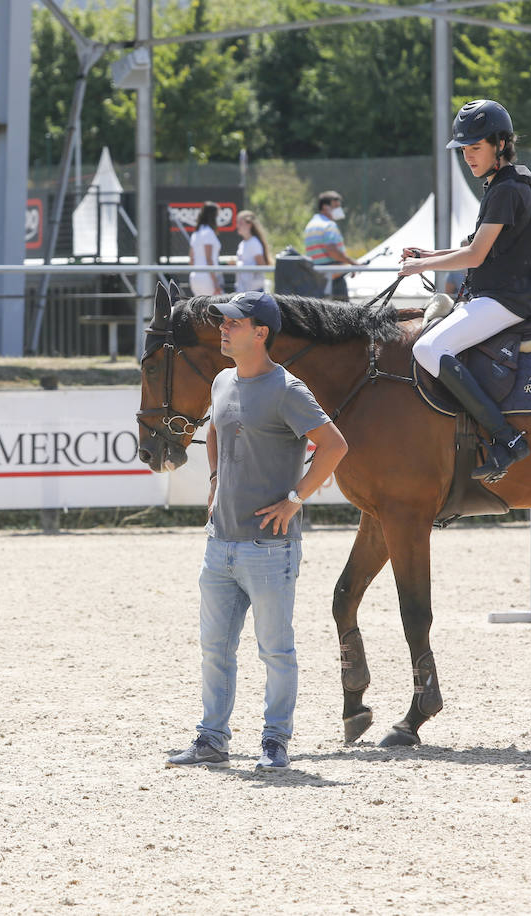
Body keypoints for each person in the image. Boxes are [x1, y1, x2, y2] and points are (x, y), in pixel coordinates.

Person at [165, 290, 348, 773]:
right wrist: (213, 481)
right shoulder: (223, 381)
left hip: (269, 548)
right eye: (223, 322)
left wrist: (295, 499)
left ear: (260, 333)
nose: (223, 329)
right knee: (215, 649)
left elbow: (333, 445)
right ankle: (212, 739)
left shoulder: (288, 390)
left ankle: (275, 741)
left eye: (233, 323)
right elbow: (216, 432)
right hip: (219, 542)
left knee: (276, 650)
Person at [399, 99, 531, 481]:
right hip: (497, 296)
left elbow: (476, 256)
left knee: (428, 348)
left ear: (500, 143)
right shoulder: (502, 183)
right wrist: (430, 254)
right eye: (464, 149)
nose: (468, 156)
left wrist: (421, 265)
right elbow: (474, 245)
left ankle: (506, 438)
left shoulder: (505, 190)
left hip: (505, 300)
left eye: (475, 148)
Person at [303, 190, 359, 298]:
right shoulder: (329, 225)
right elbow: (332, 250)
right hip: (333, 279)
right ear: (325, 207)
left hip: (317, 278)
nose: (339, 210)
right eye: (336, 206)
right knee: (343, 313)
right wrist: (352, 262)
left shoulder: (311, 224)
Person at [187, 201, 223, 297]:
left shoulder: (196, 233)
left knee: (199, 310)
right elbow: (208, 259)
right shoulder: (208, 233)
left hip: (195, 278)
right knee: (215, 309)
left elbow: (191, 260)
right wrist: (215, 283)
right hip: (207, 279)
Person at [233, 210, 271, 293]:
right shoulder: (242, 244)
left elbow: (261, 266)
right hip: (243, 290)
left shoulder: (254, 242)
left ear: (249, 224)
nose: (237, 226)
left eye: (240, 223)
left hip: (254, 291)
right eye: (237, 222)